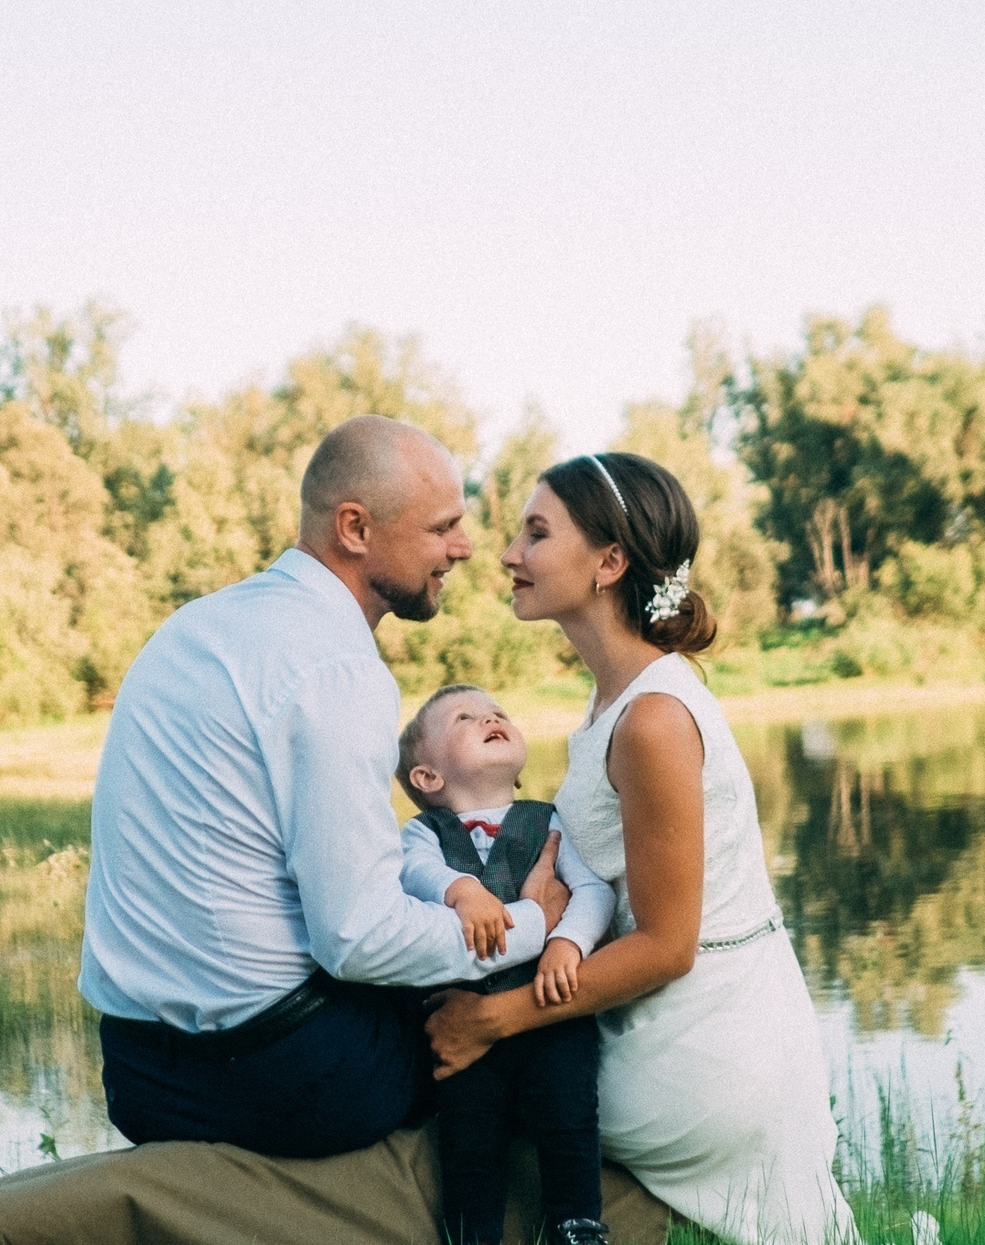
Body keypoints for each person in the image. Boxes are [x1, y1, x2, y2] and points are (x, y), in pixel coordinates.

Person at [77, 413, 572, 1157]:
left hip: (137, 1070)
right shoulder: (337, 669)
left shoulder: (195, 625)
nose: (465, 548)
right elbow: (359, 940)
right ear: (355, 527)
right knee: (504, 1012)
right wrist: (533, 925)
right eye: (443, 527)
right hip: (279, 1075)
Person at [425, 452, 860, 1245]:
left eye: (535, 532)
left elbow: (667, 946)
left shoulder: (654, 719)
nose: (508, 554)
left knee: (464, 1082)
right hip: (686, 1025)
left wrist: (492, 1020)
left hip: (700, 1053)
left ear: (609, 562)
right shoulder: (613, 700)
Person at [395, 684, 617, 1245]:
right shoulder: (421, 836)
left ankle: (577, 1223)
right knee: (468, 1135)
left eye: (498, 713)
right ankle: (474, 1234)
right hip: (462, 1021)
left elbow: (593, 892)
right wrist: (462, 889)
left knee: (569, 1115)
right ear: (429, 779)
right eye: (466, 718)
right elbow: (416, 875)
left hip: (550, 1010)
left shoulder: (548, 820)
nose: (491, 718)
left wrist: (567, 943)